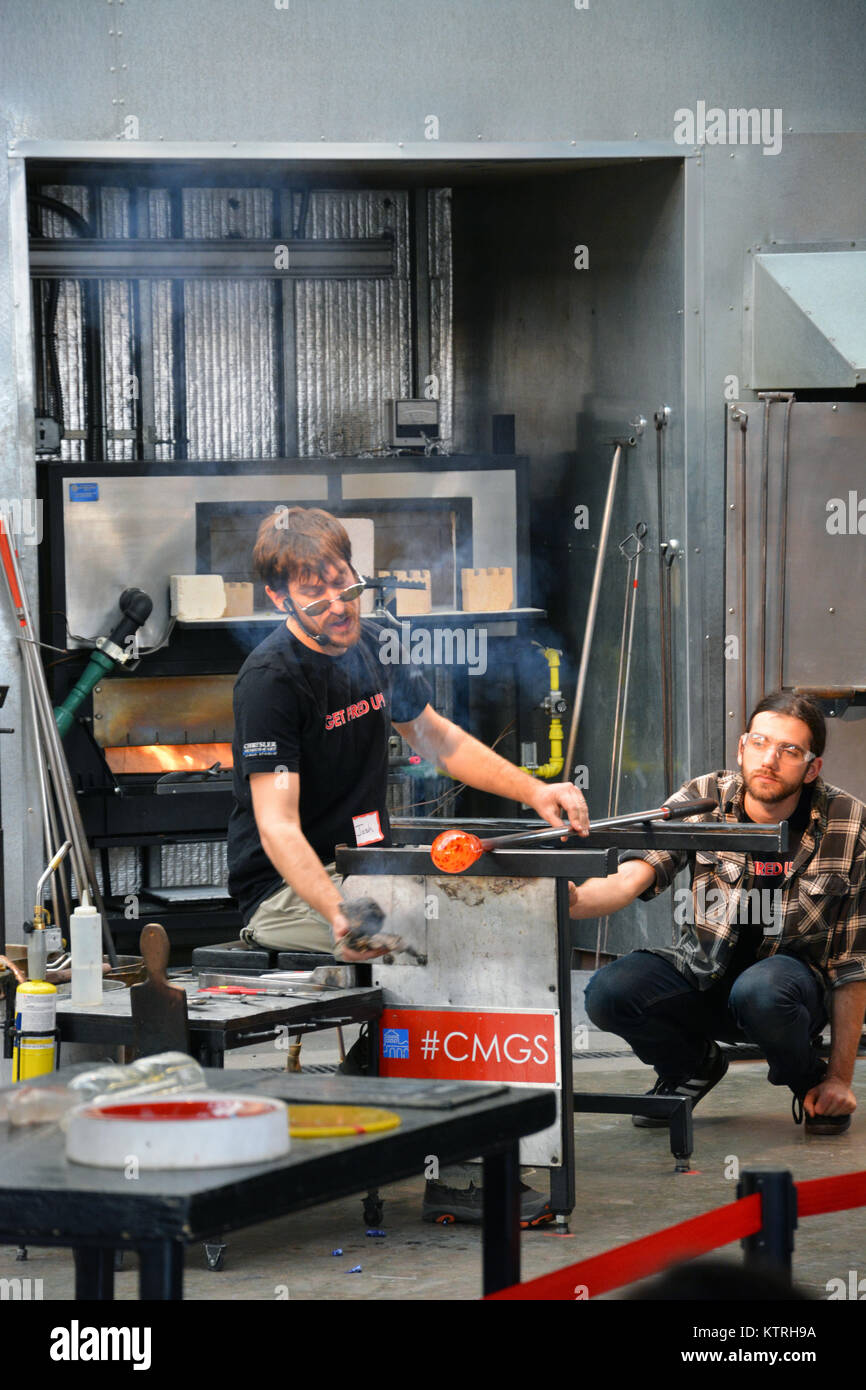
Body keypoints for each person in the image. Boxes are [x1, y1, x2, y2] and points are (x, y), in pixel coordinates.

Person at [227, 505, 589, 1220]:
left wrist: (535, 791)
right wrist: (337, 910)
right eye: (315, 594)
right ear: (279, 598)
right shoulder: (271, 680)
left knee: (464, 916)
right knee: (439, 941)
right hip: (285, 890)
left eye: (344, 584)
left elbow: (439, 740)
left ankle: (376, 1093)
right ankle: (451, 1172)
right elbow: (275, 825)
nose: (337, 606)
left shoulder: (374, 646)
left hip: (367, 867)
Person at [571, 691, 866, 1136]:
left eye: (789, 750)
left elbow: (853, 966)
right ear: (741, 746)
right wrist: (571, 899)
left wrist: (839, 1079)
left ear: (812, 767)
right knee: (609, 992)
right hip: (702, 977)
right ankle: (692, 1065)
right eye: (760, 742)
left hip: (786, 995)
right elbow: (632, 875)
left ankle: (811, 1084)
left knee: (763, 990)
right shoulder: (705, 798)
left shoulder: (849, 823)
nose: (769, 760)